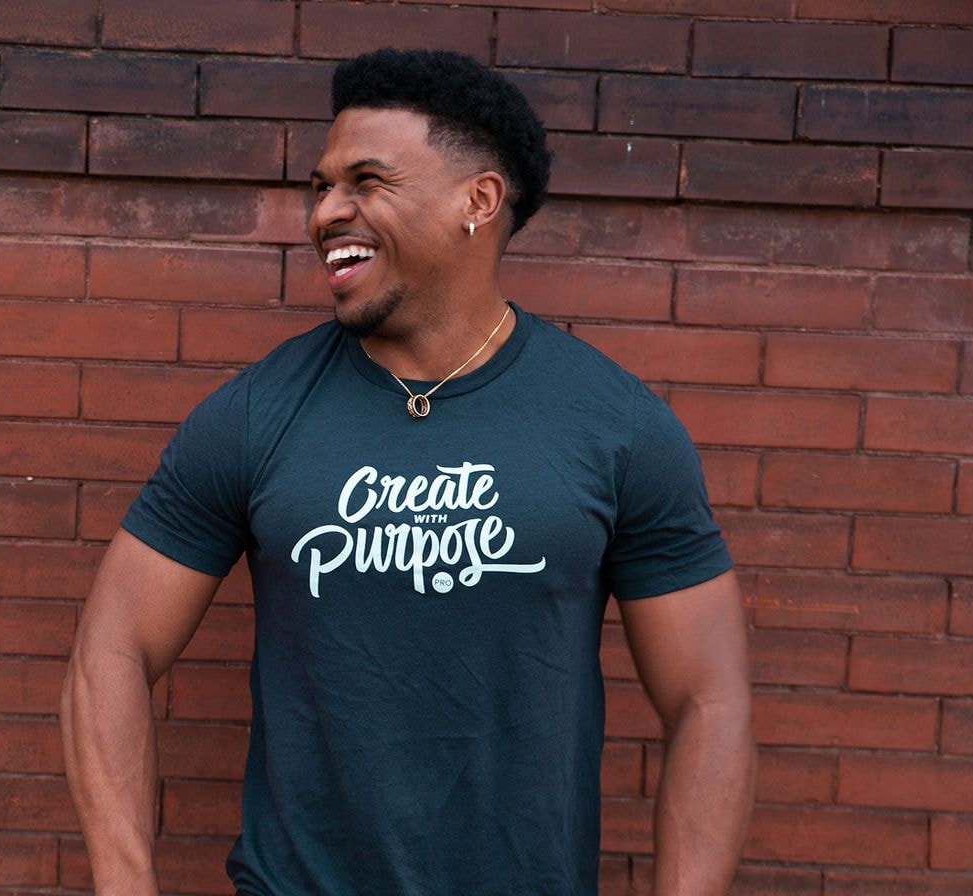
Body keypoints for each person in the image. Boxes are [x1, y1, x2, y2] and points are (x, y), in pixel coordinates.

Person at [61, 48, 755, 896]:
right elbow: (111, 645)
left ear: (479, 200)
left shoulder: (615, 425)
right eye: (320, 187)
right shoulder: (254, 415)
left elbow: (710, 701)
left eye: (365, 181)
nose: (326, 213)